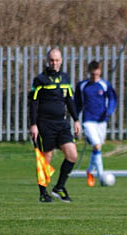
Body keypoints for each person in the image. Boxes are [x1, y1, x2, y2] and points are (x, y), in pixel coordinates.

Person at [29, 47, 81, 202]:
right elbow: (33, 103)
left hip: (62, 123)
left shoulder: (65, 78)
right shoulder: (40, 79)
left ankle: (59, 187)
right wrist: (33, 125)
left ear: (62, 61)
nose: (54, 63)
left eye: (57, 60)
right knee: (46, 158)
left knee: (72, 154)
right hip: (45, 124)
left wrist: (76, 120)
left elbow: (70, 101)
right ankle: (43, 193)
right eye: (51, 60)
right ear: (47, 61)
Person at [75, 61, 118, 186]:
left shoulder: (105, 85)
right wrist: (75, 118)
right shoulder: (82, 86)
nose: (95, 76)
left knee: (97, 147)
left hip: (102, 121)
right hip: (88, 121)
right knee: (97, 145)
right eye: (93, 74)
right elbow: (76, 103)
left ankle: (89, 171)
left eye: (97, 74)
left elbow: (113, 99)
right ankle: (101, 176)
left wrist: (109, 112)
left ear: (100, 72)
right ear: (89, 72)